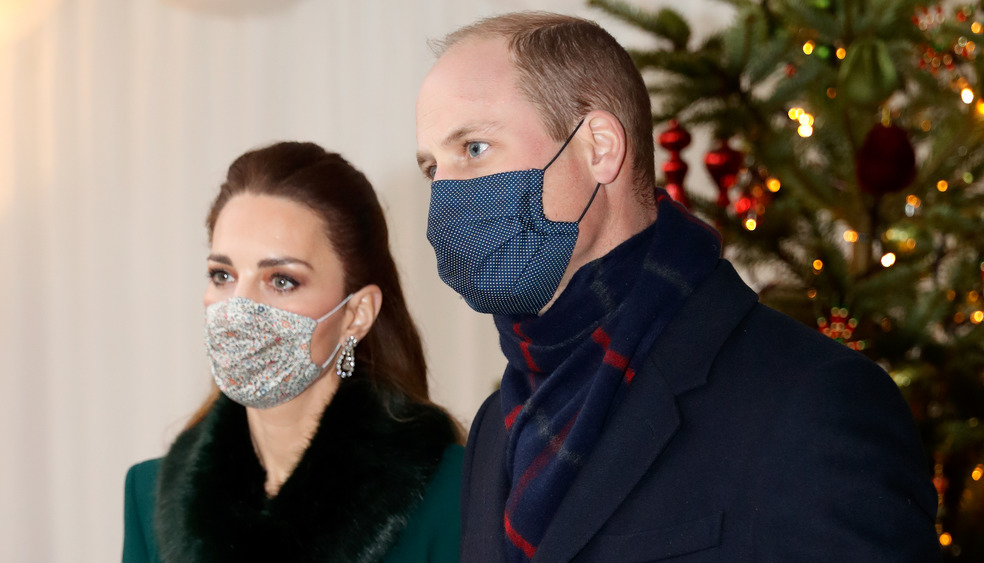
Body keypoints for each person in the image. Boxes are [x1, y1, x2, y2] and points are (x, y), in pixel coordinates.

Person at [414, 12, 939, 562]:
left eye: (473, 148)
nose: (444, 198)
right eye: (431, 168)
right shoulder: (495, 433)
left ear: (599, 147)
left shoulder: (810, 402)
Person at [122, 142, 463, 562]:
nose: (239, 307)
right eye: (223, 274)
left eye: (281, 280)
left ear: (357, 313)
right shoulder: (147, 494)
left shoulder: (453, 494)